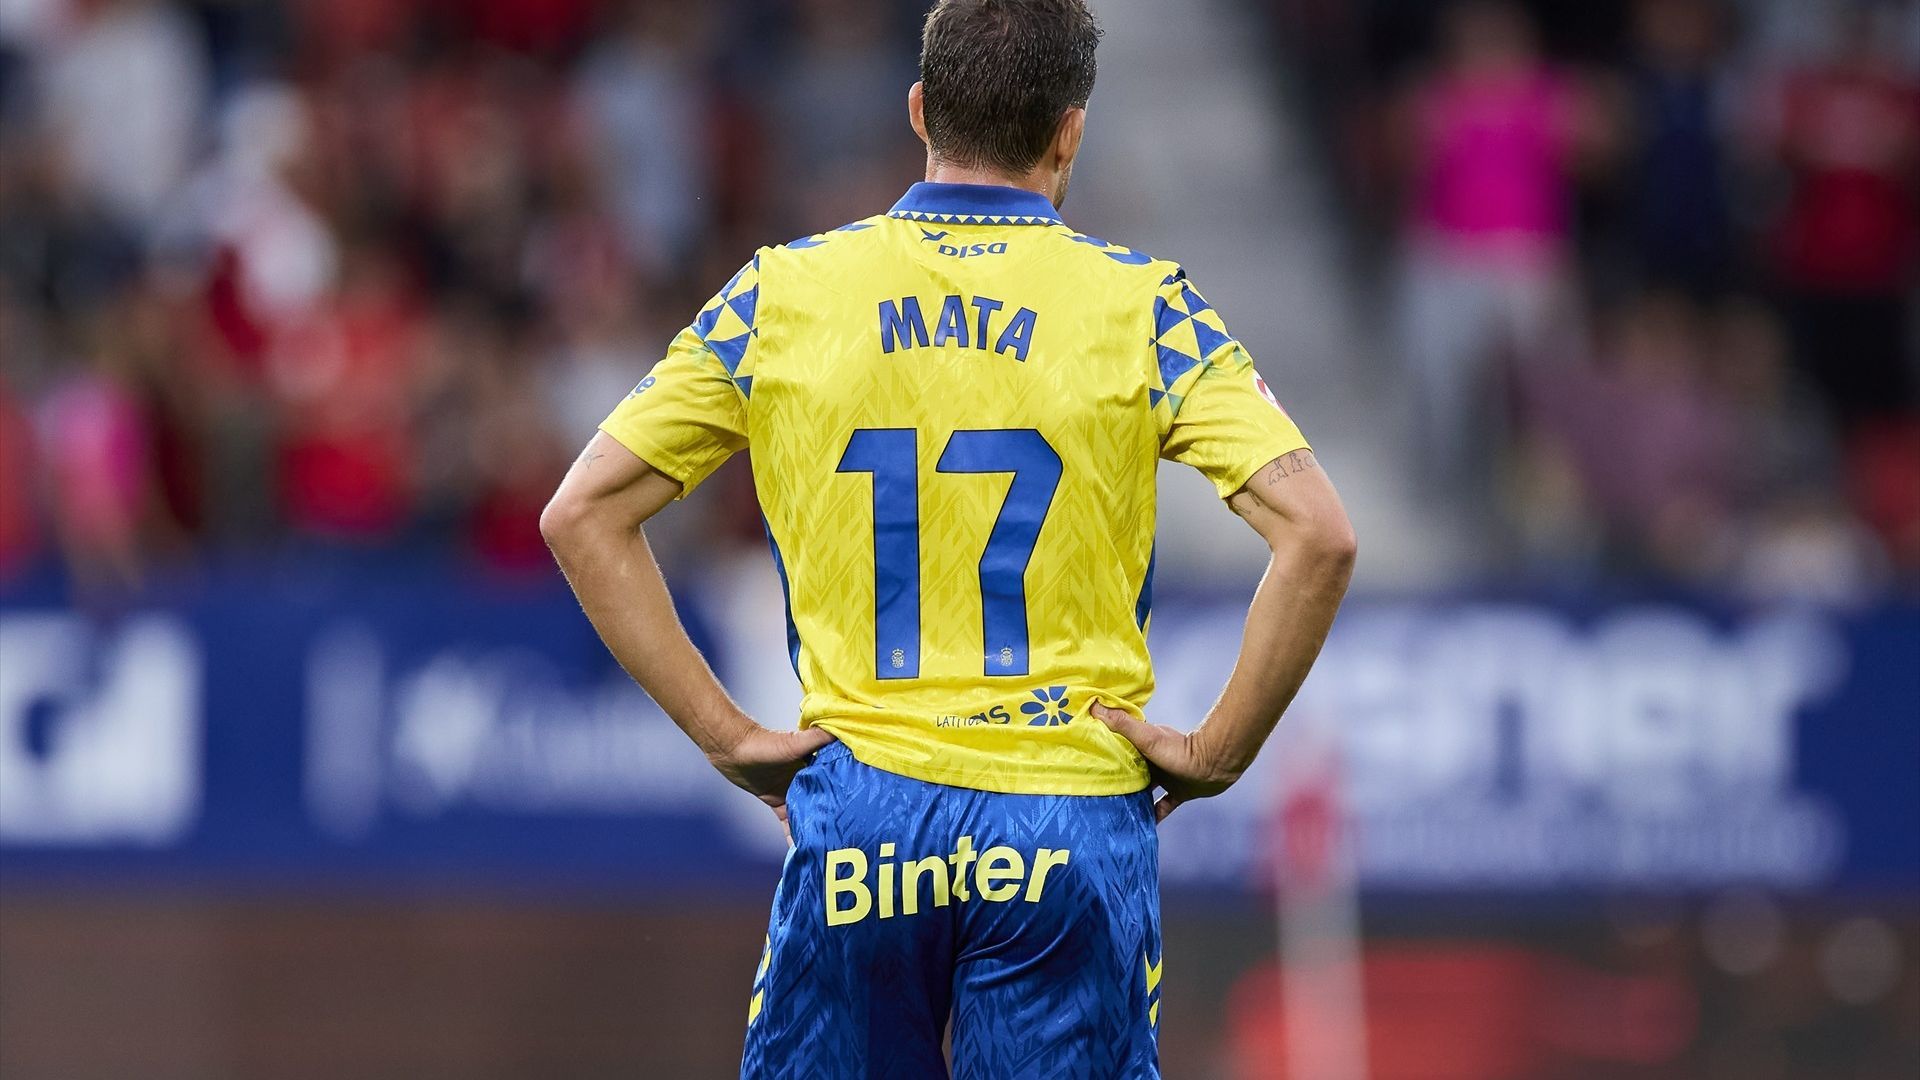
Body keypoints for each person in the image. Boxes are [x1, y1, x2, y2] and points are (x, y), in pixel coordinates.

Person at [540, 1, 1355, 1076]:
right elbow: (1319, 536)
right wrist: (1218, 750)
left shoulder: (782, 295)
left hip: (863, 812)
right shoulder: (1144, 308)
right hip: (1063, 820)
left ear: (920, 109)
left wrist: (724, 733)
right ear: (1071, 131)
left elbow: (582, 513)